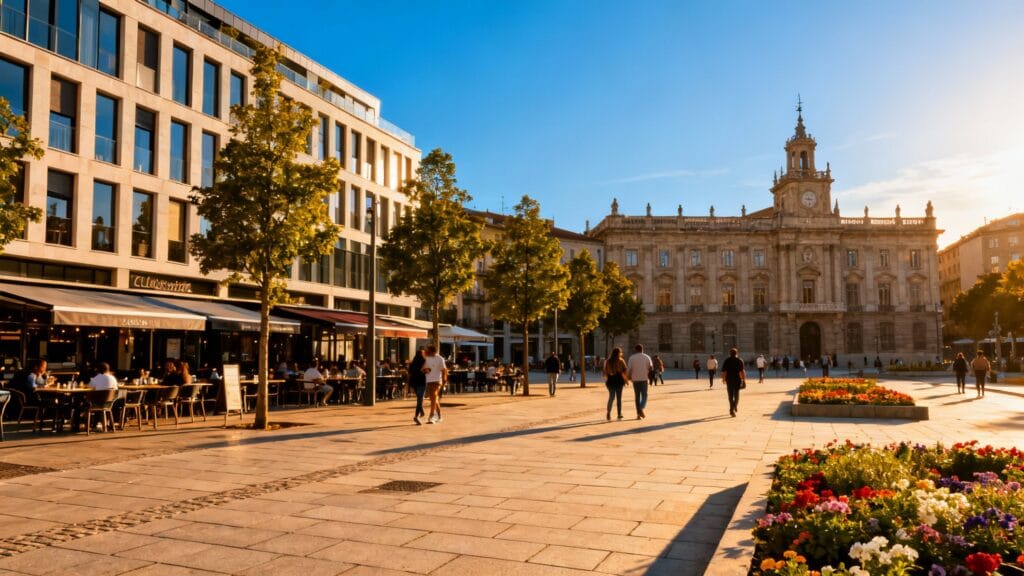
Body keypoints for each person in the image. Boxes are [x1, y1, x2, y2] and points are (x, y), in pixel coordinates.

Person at [627, 344, 653, 419]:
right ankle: (641, 408)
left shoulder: (632, 358)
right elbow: (650, 367)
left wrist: (628, 377)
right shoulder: (647, 357)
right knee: (644, 395)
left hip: (635, 379)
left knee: (637, 397)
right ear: (642, 349)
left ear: (635, 350)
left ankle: (638, 414)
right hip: (644, 378)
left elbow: (629, 369)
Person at [422, 345, 447, 423]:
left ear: (433, 352)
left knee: (433, 397)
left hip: (436, 381)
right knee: (433, 398)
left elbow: (444, 370)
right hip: (428, 380)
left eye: (428, 351)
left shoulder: (440, 359)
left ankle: (432, 415)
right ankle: (439, 416)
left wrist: (444, 381)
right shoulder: (426, 358)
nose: (426, 352)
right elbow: (422, 369)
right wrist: (424, 370)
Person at [603, 347, 628, 420]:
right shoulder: (621, 361)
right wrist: (626, 380)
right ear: (619, 353)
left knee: (611, 397)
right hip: (619, 381)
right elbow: (624, 371)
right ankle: (619, 414)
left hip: (610, 381)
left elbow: (605, 372)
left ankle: (608, 413)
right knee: (619, 398)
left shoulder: (607, 361)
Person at [721, 348, 746, 417]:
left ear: (730, 353)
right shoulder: (739, 360)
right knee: (737, 396)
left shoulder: (727, 360)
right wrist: (744, 380)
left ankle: (731, 410)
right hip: (737, 380)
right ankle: (734, 406)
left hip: (729, 380)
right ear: (736, 353)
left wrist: (723, 379)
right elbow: (742, 371)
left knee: (730, 396)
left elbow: (724, 371)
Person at [408, 348, 427, 424]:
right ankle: (416, 416)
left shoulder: (412, 363)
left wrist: (408, 382)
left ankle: (422, 412)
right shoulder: (424, 362)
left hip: (413, 382)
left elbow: (409, 374)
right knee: (420, 399)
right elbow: (427, 371)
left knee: (419, 398)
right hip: (421, 382)